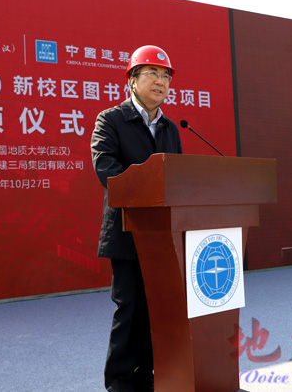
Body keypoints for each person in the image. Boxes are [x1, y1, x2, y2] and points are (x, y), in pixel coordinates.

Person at [90, 45, 183, 392]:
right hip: (128, 231)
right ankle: (120, 383)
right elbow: (106, 169)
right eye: (152, 74)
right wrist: (148, 189)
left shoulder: (171, 128)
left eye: (166, 76)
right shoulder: (110, 120)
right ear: (131, 79)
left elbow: (180, 177)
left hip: (164, 236)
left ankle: (146, 377)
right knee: (129, 310)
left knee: (156, 310)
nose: (161, 82)